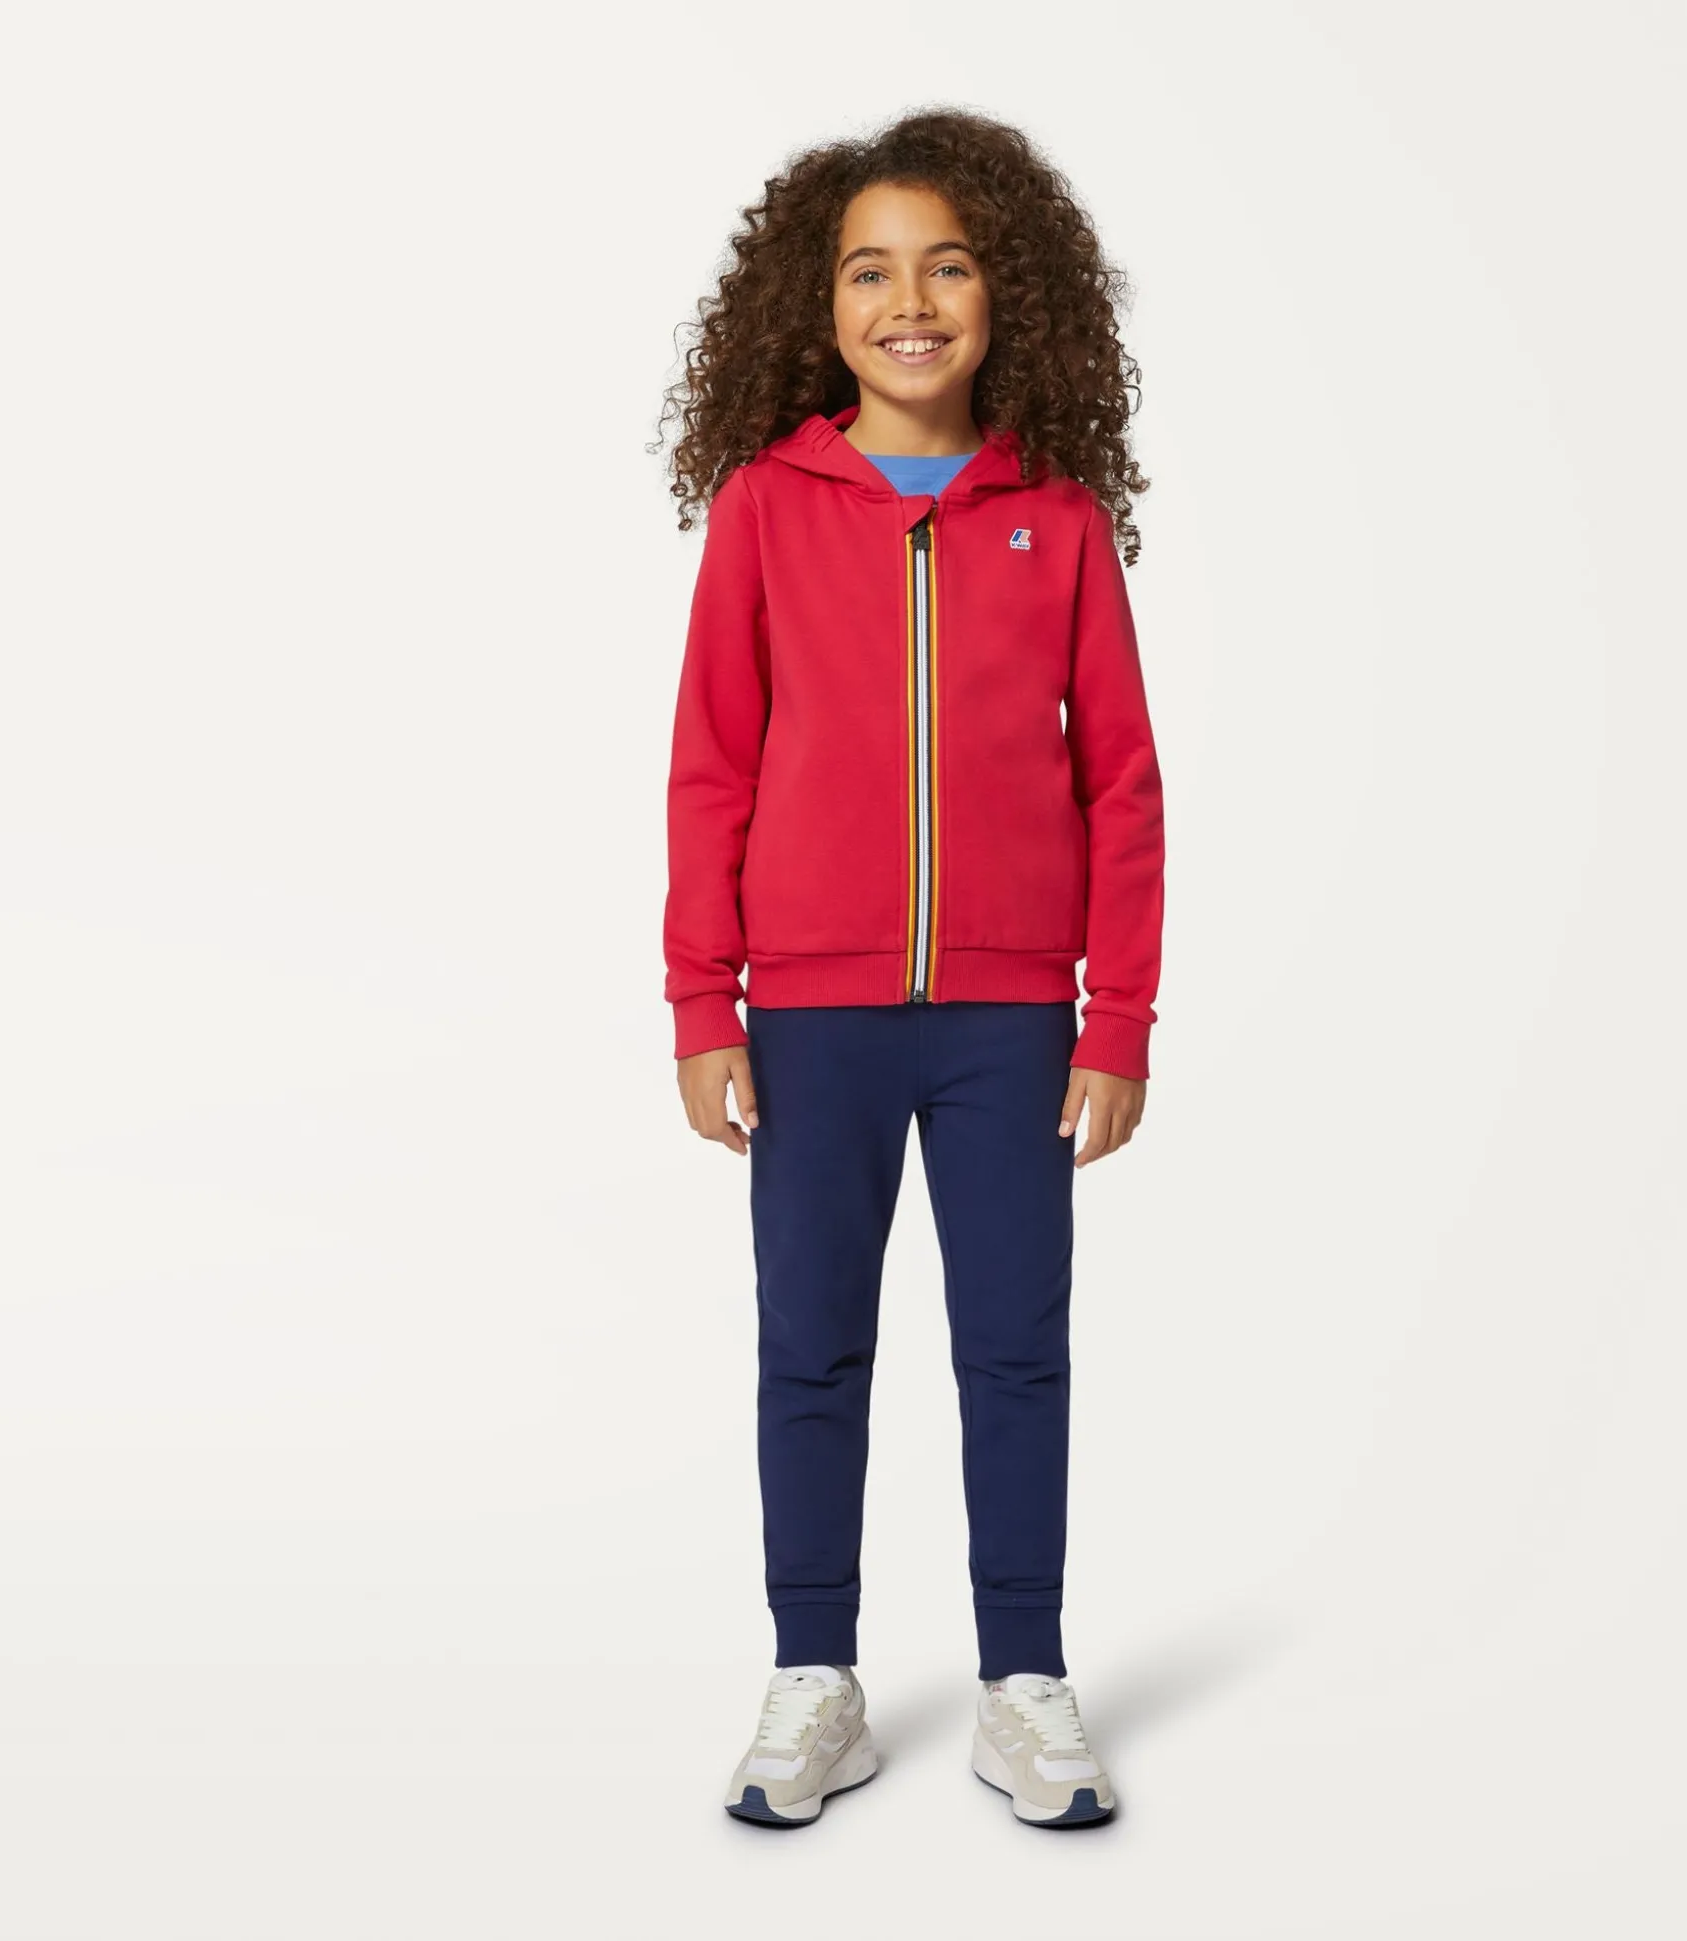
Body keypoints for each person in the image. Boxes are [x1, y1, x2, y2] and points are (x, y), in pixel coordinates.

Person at [655, 108, 1165, 1829]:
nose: (911, 302)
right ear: (819, 308)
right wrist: (703, 1001)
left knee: (1016, 1348)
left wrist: (1118, 1019)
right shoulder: (765, 509)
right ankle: (817, 1679)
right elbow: (712, 766)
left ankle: (1025, 1681)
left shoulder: (1056, 517)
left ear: (1006, 292)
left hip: (1014, 1017)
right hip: (812, 1013)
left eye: (946, 266)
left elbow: (1122, 783)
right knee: (811, 1347)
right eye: (870, 272)